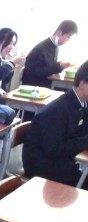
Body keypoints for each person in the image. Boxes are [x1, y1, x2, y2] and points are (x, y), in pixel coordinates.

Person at [22, 60, 88, 189]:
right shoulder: (59, 109)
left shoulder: (81, 102)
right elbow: (53, 149)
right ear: (82, 84)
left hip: (58, 158)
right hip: (42, 165)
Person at [22, 20, 78, 88]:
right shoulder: (40, 49)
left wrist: (61, 65)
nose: (68, 40)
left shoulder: (54, 47)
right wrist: (59, 66)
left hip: (44, 85)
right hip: (34, 87)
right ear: (59, 33)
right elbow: (34, 72)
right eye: (68, 36)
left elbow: (48, 66)